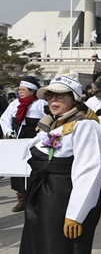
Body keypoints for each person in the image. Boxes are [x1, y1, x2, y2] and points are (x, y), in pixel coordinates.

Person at [15, 69, 101, 254]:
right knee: (46, 252)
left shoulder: (85, 126)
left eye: (60, 96)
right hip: (45, 196)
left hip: (64, 197)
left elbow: (89, 170)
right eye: (50, 96)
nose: (54, 100)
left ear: (74, 98)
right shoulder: (51, 124)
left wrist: (76, 213)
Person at [0, 77, 47, 212]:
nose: (20, 92)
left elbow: (49, 120)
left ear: (32, 91)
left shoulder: (40, 104)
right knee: (19, 171)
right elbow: (4, 119)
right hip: (17, 141)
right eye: (19, 89)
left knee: (34, 169)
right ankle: (22, 198)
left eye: (23, 89)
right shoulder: (15, 104)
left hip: (34, 141)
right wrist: (9, 132)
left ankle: (36, 198)